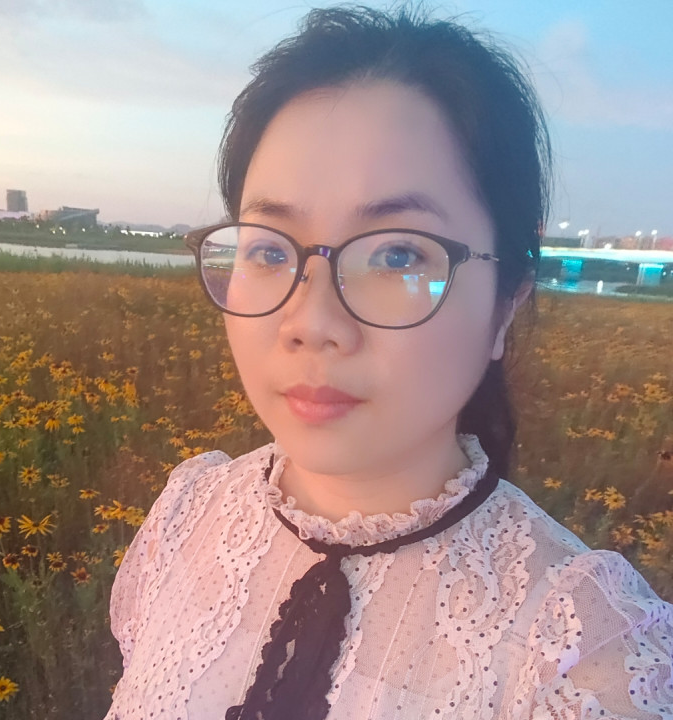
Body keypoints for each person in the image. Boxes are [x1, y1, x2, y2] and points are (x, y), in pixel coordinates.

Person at [105, 7, 673, 719]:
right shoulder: (187, 520)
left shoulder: (584, 657)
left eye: (398, 254)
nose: (311, 323)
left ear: (506, 302)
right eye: (269, 249)